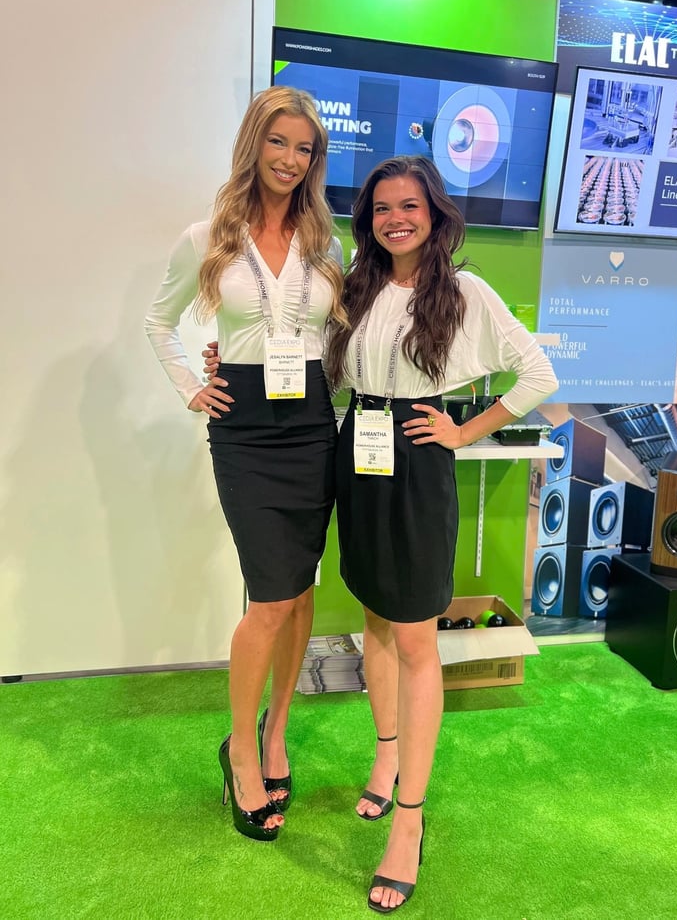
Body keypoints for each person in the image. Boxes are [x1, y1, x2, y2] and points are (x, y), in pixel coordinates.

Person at [322, 155, 559, 913]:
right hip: (357, 452)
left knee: (416, 638)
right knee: (374, 616)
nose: (396, 219)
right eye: (382, 208)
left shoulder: (462, 292)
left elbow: (538, 377)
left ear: (434, 214)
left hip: (418, 459)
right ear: (368, 220)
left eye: (410, 206)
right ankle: (385, 758)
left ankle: (410, 822)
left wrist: (463, 431)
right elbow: (317, 362)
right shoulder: (355, 287)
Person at [144, 86, 346, 841]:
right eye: (278, 142)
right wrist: (194, 385)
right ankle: (239, 752)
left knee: (301, 593)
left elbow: (337, 340)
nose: (290, 159)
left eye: (304, 148)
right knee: (269, 598)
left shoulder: (327, 243)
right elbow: (157, 321)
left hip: (313, 424)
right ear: (254, 144)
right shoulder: (206, 237)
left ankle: (276, 730)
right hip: (245, 432)